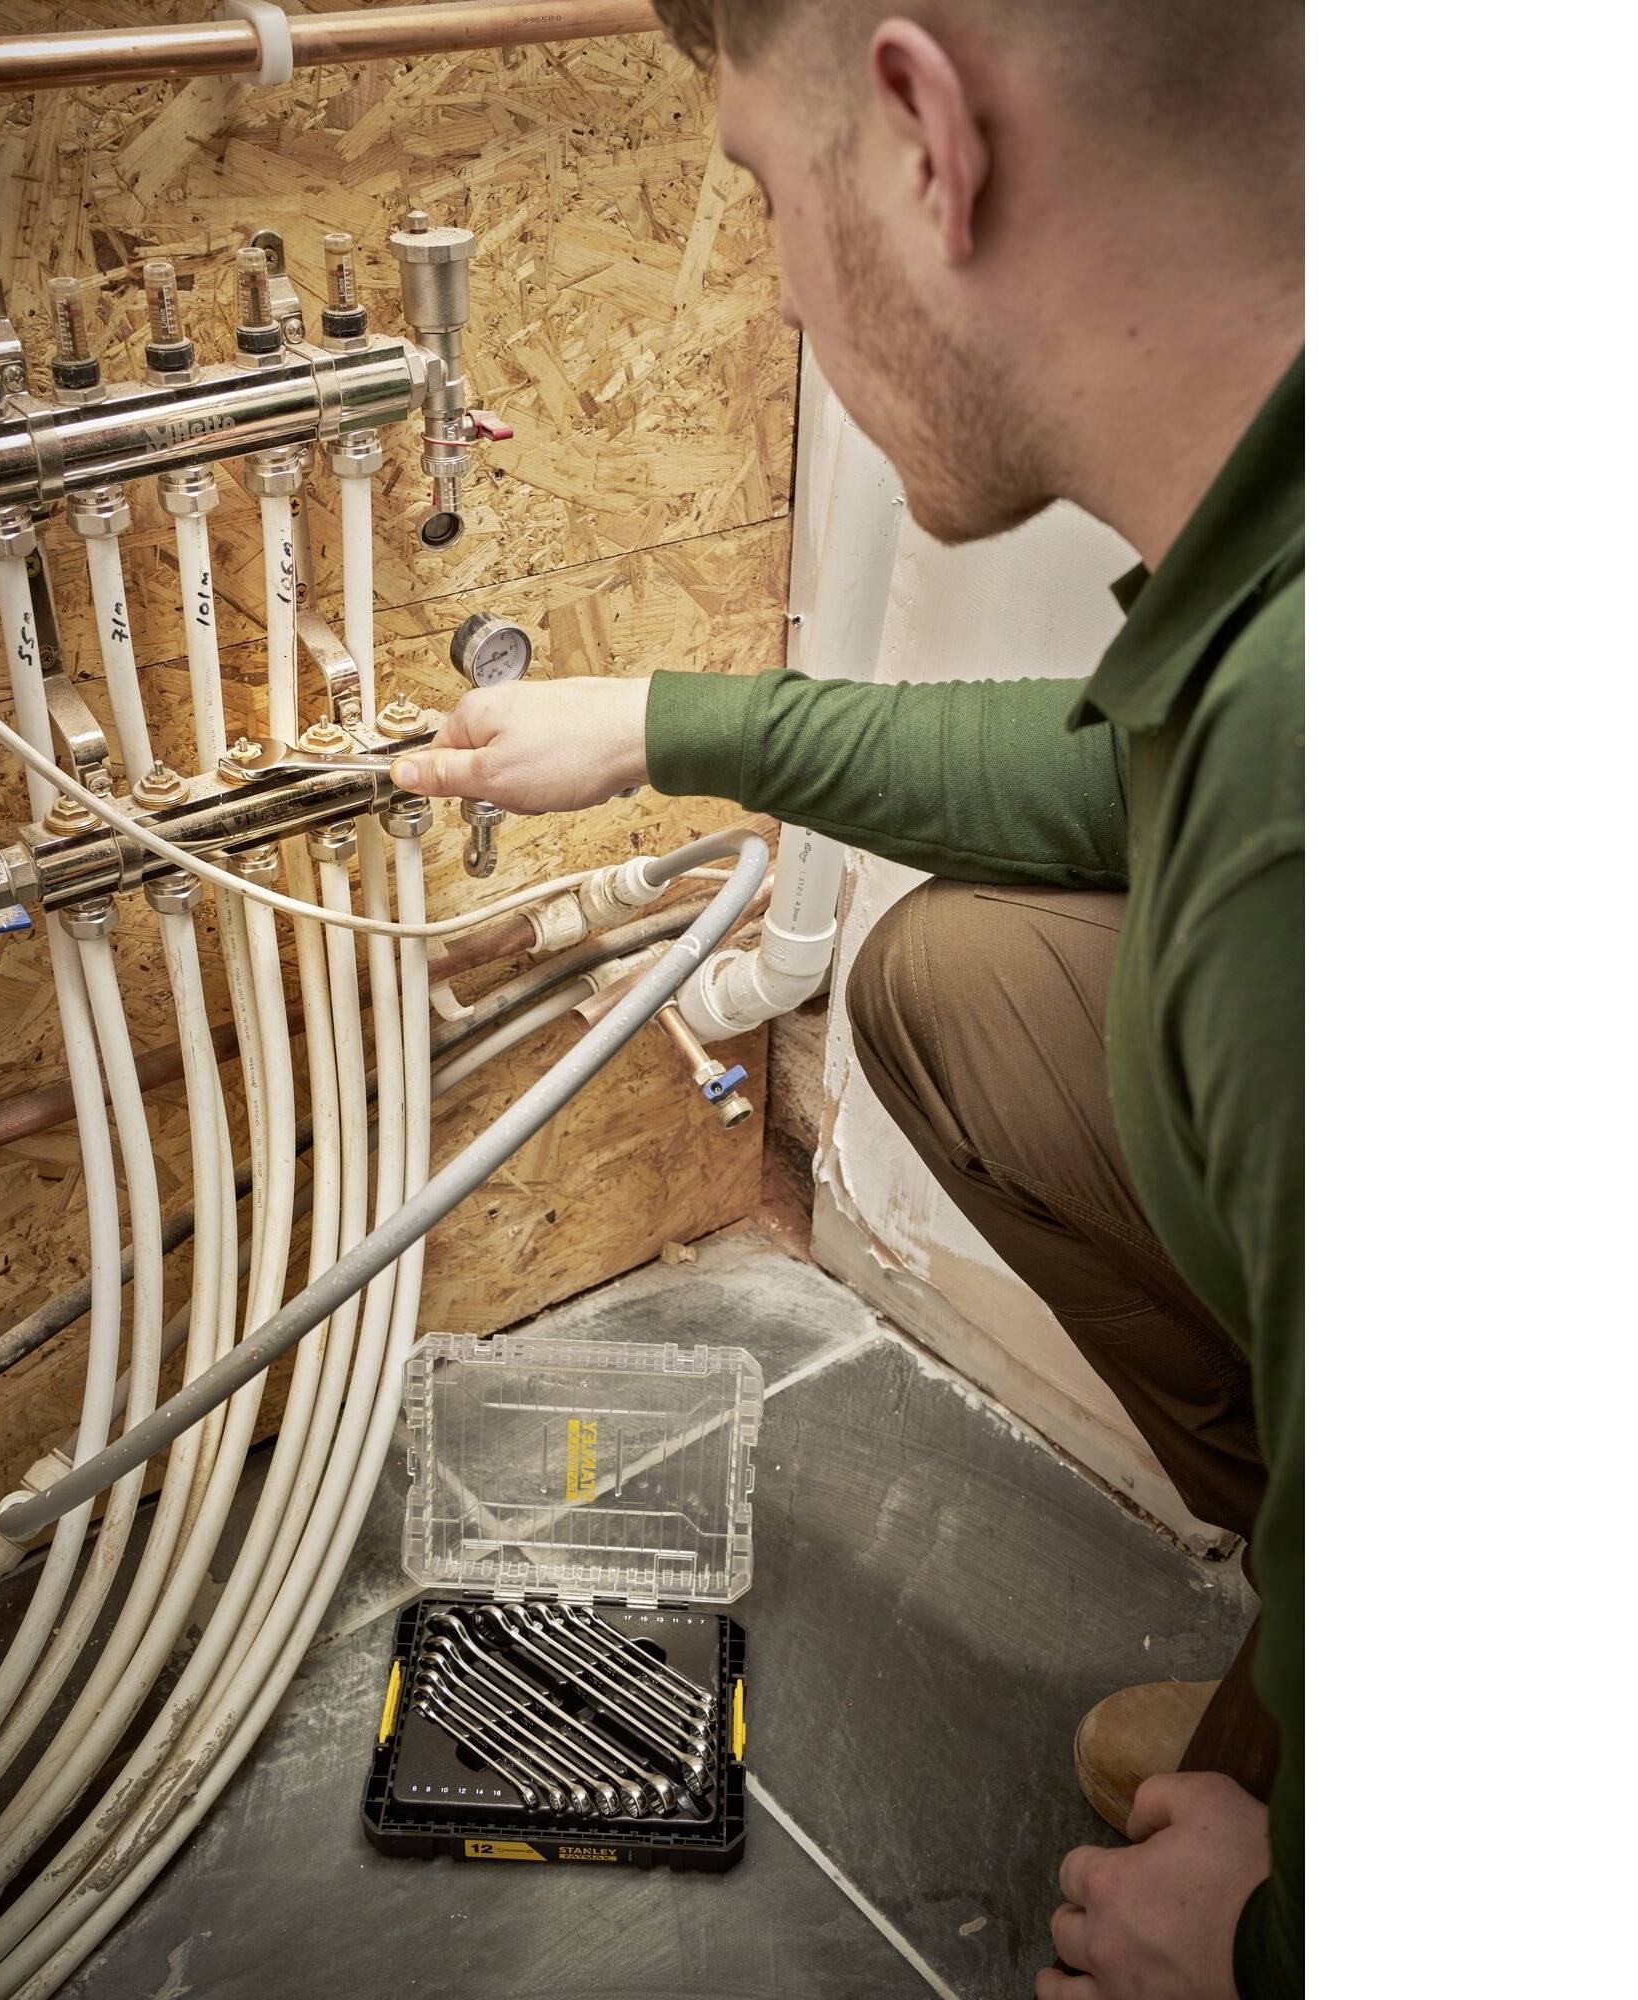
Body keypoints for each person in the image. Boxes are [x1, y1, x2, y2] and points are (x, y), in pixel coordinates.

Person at [388, 4, 1303, 1993]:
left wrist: (1271, 1937)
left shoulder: (1308, 780)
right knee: (966, 981)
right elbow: (1100, 768)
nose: (784, 283)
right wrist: (659, 723)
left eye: (757, 189)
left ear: (916, 138)